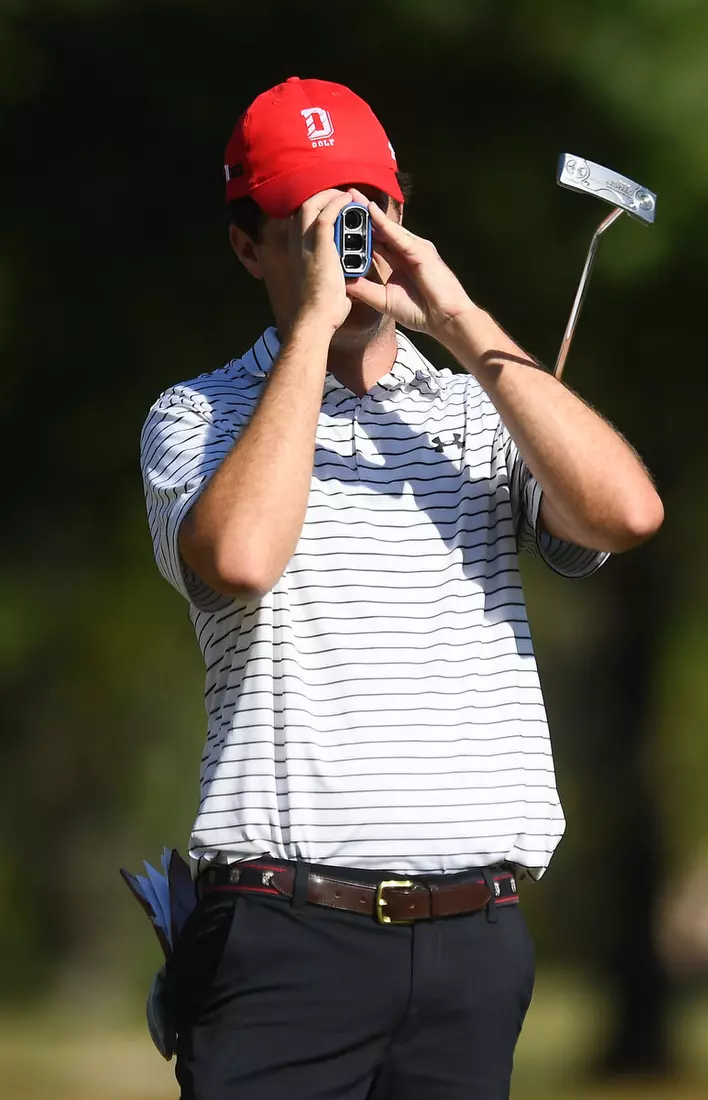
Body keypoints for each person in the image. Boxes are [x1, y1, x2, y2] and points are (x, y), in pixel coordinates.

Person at [140, 76, 663, 1100]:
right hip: (284, 938)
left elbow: (624, 513)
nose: (342, 244)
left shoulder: (480, 409)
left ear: (400, 216)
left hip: (474, 943)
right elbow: (242, 554)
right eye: (307, 222)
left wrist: (457, 316)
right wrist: (311, 331)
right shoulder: (195, 417)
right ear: (248, 247)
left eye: (362, 212)